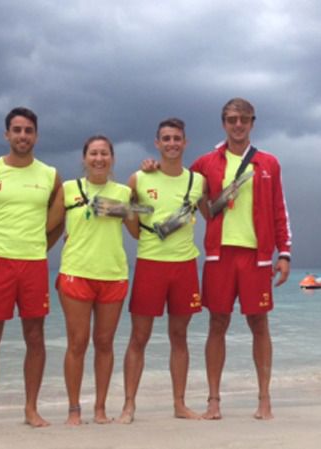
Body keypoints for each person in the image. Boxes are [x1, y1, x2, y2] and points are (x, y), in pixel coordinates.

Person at [191, 98, 292, 420]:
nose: (238, 125)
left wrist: (284, 253)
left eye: (244, 120)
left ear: (252, 123)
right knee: (217, 323)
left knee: (258, 323)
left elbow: (279, 209)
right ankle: (213, 401)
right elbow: (180, 186)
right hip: (219, 255)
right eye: (232, 119)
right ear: (223, 122)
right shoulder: (206, 163)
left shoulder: (268, 163)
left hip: (256, 256)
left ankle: (264, 399)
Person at [0, 107, 62, 431]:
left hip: (34, 265)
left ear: (36, 135)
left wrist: (38, 248)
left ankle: (31, 409)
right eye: (16, 130)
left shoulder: (50, 175)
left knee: (35, 337)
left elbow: (57, 222)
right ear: (6, 134)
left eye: (28, 130)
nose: (22, 136)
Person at [119, 118, 205, 424]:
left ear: (185, 142)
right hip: (150, 264)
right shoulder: (139, 178)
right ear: (157, 143)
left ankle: (180, 404)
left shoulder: (197, 182)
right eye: (166, 139)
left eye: (177, 138)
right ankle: (129, 406)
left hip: (184, 266)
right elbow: (129, 220)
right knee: (139, 337)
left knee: (179, 336)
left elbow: (213, 212)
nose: (172, 143)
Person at [48, 135, 135, 425]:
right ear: (84, 158)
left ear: (112, 159)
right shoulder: (69, 188)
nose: (99, 159)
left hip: (113, 273)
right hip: (76, 272)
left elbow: (137, 230)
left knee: (105, 342)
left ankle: (100, 408)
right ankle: (74, 409)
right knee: (77, 342)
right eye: (93, 154)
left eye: (104, 154)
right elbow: (49, 224)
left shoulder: (123, 191)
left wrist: (124, 207)